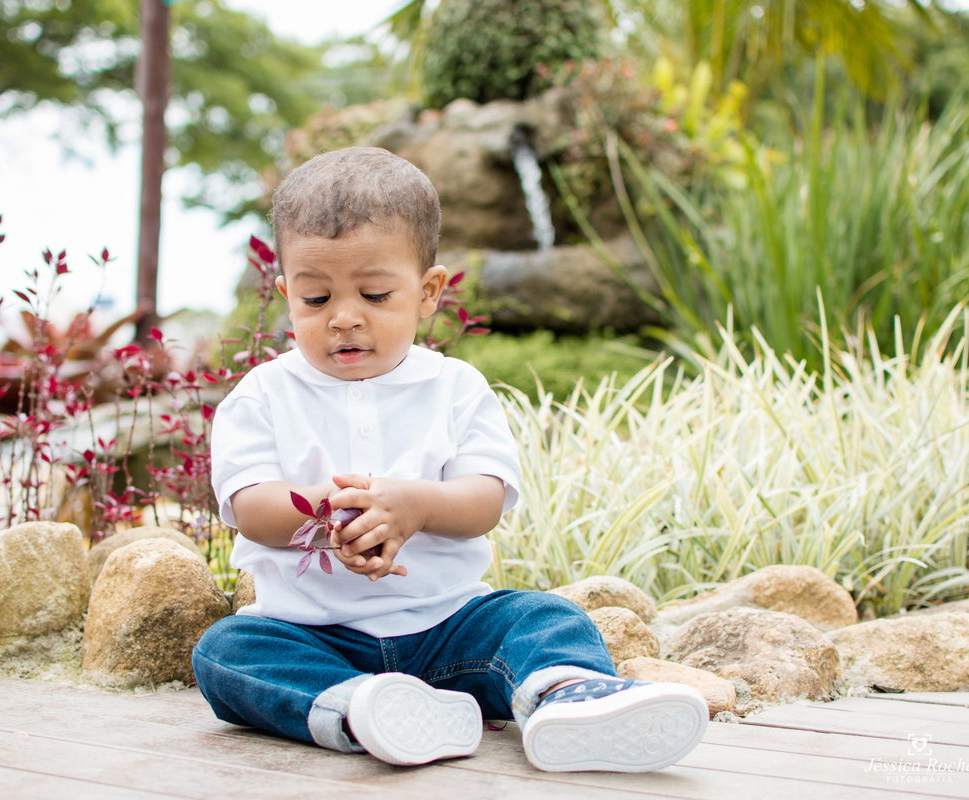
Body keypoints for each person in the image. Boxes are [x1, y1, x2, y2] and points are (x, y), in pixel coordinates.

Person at [192, 146, 707, 772]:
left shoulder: (456, 388)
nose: (345, 318)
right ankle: (363, 710)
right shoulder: (263, 396)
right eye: (316, 300)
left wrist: (413, 505)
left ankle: (567, 699)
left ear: (429, 291)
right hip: (310, 632)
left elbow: (485, 498)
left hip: (449, 628)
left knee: (543, 616)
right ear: (285, 296)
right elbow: (249, 507)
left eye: (376, 295)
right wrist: (329, 519)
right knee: (227, 650)